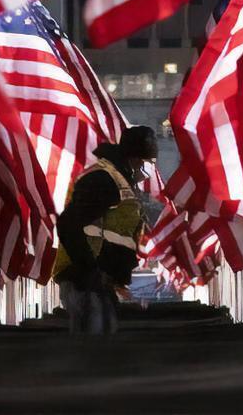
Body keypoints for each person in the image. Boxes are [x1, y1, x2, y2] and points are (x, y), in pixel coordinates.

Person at [51, 125, 159, 334]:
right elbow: (68, 225)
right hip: (84, 281)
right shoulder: (104, 180)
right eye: (149, 162)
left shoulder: (118, 180)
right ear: (137, 158)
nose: (149, 169)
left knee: (102, 346)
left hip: (98, 281)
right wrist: (90, 271)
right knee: (93, 350)